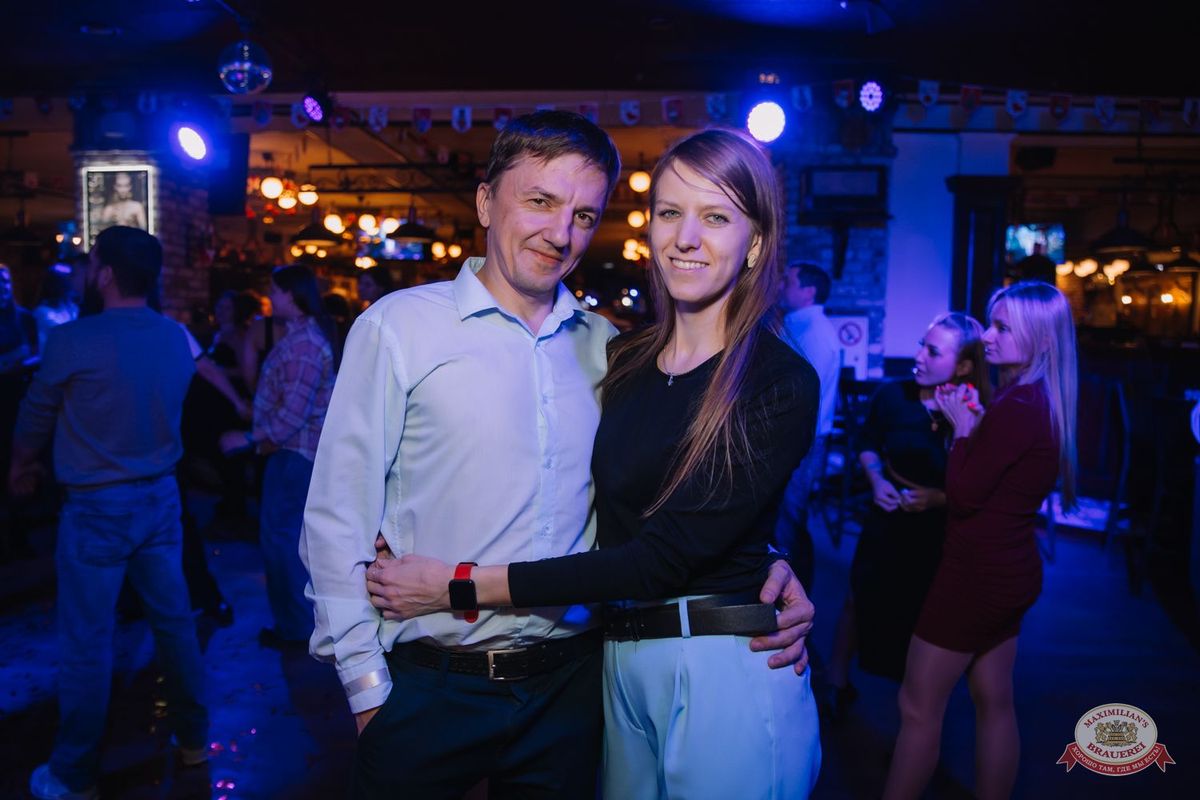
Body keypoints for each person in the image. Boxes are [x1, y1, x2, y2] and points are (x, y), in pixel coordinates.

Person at [300, 112, 814, 799]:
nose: (559, 232)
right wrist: (366, 689)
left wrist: (761, 561)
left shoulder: (607, 349)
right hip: (432, 682)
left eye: (583, 215)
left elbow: (669, 513)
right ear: (486, 201)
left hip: (575, 686)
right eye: (539, 201)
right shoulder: (401, 328)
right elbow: (336, 517)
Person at [9, 227, 209, 800]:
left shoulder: (74, 339)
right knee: (174, 623)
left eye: (91, 262)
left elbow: (35, 415)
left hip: (97, 506)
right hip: (160, 499)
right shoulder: (174, 337)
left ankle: (74, 774)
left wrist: (21, 464)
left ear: (105, 273)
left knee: (87, 641)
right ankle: (194, 740)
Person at [883, 282, 1077, 800]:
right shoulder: (1039, 399)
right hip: (1013, 572)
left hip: (976, 577)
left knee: (917, 707)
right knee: (994, 700)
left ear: (1041, 340)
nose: (987, 336)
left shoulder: (1018, 406)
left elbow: (965, 496)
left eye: (1002, 328)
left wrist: (965, 427)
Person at [823, 312, 989, 721]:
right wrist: (876, 479)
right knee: (859, 595)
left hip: (938, 529)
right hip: (888, 513)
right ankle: (836, 682)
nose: (919, 356)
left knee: (922, 613)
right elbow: (867, 442)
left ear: (963, 366)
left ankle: (914, 712)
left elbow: (981, 485)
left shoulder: (972, 412)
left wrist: (938, 499)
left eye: (933, 351)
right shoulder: (892, 394)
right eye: (921, 345)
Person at [222, 265, 336, 649]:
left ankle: (297, 631)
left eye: (274, 290)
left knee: (282, 543)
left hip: (294, 454)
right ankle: (295, 627)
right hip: (291, 452)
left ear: (292, 294)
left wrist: (249, 437)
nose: (269, 297)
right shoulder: (300, 336)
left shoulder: (305, 344)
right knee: (283, 541)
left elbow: (293, 414)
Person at [776, 262, 840, 591]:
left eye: (788, 280)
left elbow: (797, 394)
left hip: (801, 440)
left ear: (808, 292)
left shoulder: (815, 334)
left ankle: (790, 595)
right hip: (793, 437)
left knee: (788, 517)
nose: (780, 284)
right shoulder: (797, 325)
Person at [33, 263, 80, 353]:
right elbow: (63, 333)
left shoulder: (73, 308)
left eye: (70, 278)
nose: (70, 283)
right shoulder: (42, 312)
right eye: (64, 280)